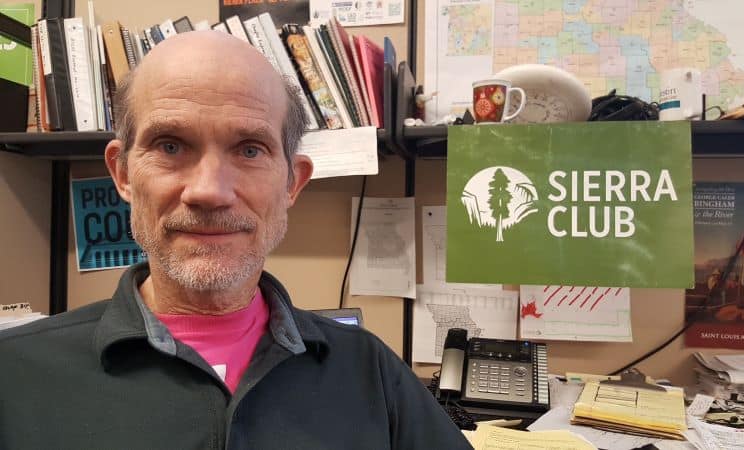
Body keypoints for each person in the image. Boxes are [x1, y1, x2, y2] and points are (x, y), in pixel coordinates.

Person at [0, 32, 470, 449]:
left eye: (250, 149)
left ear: (293, 183)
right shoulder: (15, 376)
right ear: (123, 173)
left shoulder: (371, 373)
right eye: (170, 146)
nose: (209, 190)